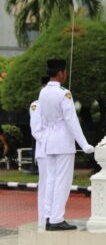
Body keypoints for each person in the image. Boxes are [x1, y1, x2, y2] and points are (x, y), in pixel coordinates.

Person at [39, 59, 94, 231]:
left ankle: (48, 217)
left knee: (51, 181)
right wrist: (84, 144)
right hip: (62, 142)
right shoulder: (64, 93)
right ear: (61, 73)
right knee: (62, 181)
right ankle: (56, 219)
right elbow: (72, 121)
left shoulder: (43, 92)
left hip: (49, 141)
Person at [30, 76, 50, 230]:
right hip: (44, 151)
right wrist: (50, 142)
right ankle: (42, 219)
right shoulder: (36, 105)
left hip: (58, 150)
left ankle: (54, 217)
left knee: (56, 185)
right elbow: (36, 130)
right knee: (44, 185)